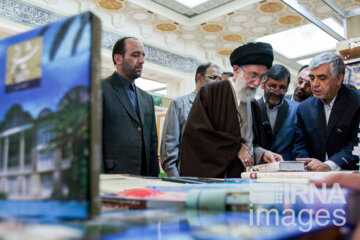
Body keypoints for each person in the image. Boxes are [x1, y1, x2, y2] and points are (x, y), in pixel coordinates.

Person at [179, 42, 283, 178]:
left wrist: (261, 152)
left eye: (262, 77)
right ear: (237, 70)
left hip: (246, 178)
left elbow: (251, 142)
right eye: (253, 75)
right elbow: (197, 136)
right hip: (218, 182)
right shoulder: (211, 93)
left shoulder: (253, 104)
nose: (257, 83)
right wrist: (234, 147)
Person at [102, 37, 159, 176]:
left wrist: (153, 178)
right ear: (118, 59)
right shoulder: (98, 90)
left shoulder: (147, 99)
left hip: (143, 180)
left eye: (142, 55)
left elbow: (152, 143)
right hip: (111, 178)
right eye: (135, 55)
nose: (141, 60)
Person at [293, 52, 360, 171]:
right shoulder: (304, 108)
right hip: (312, 178)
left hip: (349, 177)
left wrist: (329, 165)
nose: (315, 84)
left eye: (322, 78)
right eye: (312, 78)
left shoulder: (356, 101)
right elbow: (299, 146)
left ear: (339, 79)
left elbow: (357, 144)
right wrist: (308, 166)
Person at [160, 63, 221, 177]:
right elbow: (169, 146)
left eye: (220, 79)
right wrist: (175, 179)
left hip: (214, 177)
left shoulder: (220, 109)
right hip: (187, 176)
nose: (218, 82)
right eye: (213, 77)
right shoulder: (180, 104)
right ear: (199, 78)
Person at [257, 64, 298, 160]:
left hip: (286, 169)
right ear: (263, 84)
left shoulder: (296, 110)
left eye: (282, 88)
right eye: (272, 86)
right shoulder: (251, 107)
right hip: (257, 169)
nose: (277, 91)